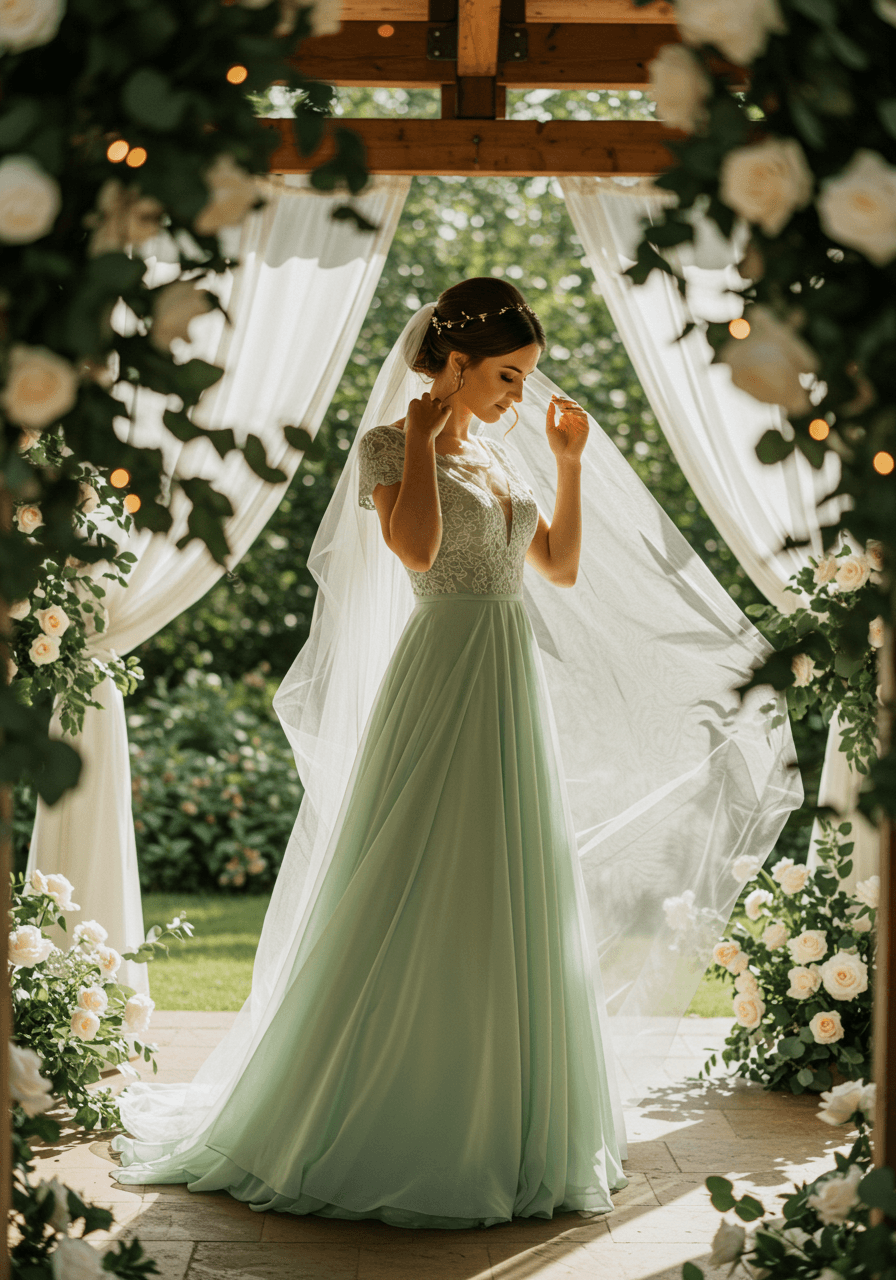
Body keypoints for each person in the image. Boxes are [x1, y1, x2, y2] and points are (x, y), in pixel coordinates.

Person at [111, 276, 802, 1228]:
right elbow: (417, 549)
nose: (520, 392)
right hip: (443, 666)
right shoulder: (388, 444)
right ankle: (383, 1103)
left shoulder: (501, 453)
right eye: (508, 375)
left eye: (524, 376)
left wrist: (566, 464)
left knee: (507, 879)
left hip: (508, 676)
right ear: (459, 362)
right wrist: (423, 438)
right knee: (416, 868)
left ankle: (505, 1111)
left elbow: (555, 566)